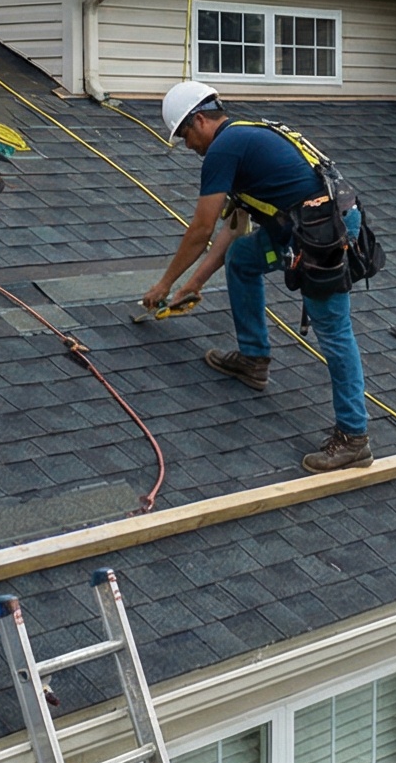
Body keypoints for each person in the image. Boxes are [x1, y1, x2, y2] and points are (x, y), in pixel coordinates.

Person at [142, 81, 371, 471]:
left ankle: (354, 438)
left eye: (184, 135)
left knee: (333, 331)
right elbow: (234, 229)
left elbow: (201, 230)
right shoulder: (244, 139)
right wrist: (192, 285)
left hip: (322, 235)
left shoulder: (224, 148)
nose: (187, 146)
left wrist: (164, 284)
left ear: (200, 119)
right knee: (244, 257)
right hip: (306, 226)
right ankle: (253, 359)